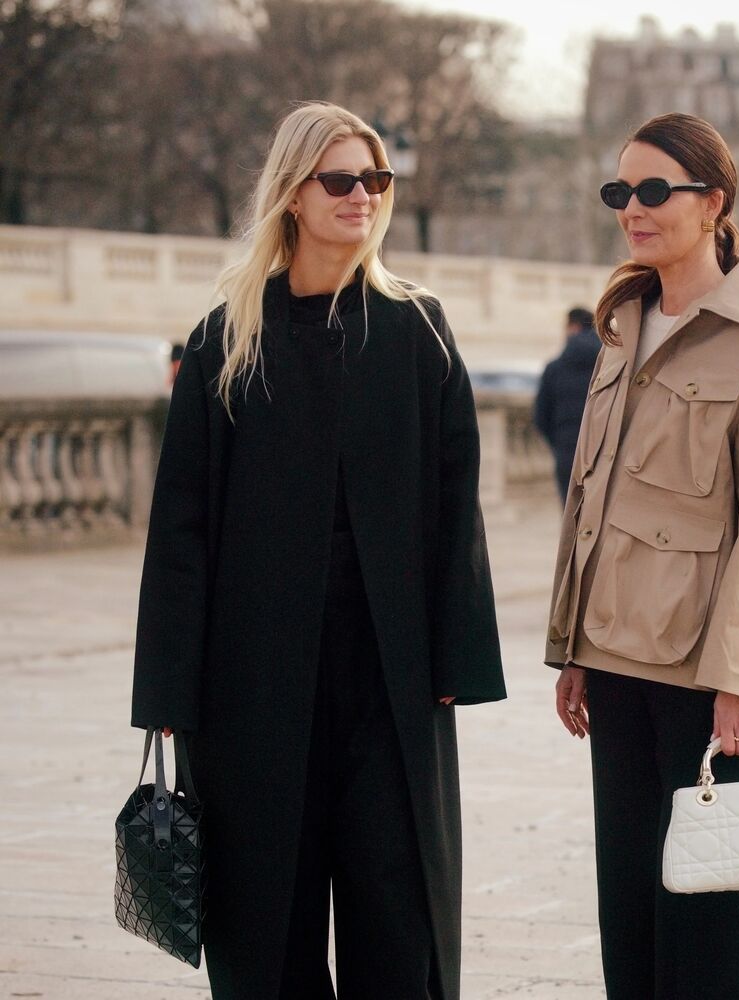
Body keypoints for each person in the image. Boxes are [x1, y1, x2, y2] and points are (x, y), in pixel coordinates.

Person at [130, 102, 506, 1000]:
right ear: (293, 194)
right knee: (264, 923)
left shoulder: (418, 330)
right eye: (341, 180)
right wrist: (168, 694)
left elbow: (458, 505)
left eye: (376, 180)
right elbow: (179, 529)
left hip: (390, 682)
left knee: (397, 914)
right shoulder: (226, 340)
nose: (363, 197)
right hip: (250, 687)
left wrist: (457, 657)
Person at [545, 113, 739, 1000]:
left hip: (713, 677)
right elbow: (592, 503)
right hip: (619, 661)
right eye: (620, 191)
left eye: (656, 189)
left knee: (710, 918)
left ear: (715, 202)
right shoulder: (620, 330)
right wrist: (574, 650)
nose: (634, 207)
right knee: (630, 909)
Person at [533, 307, 602, 504]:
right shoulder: (610, 364)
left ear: (573, 327)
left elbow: (540, 416)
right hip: (603, 450)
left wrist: (560, 442)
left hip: (567, 449)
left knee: (570, 514)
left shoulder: (554, 368)